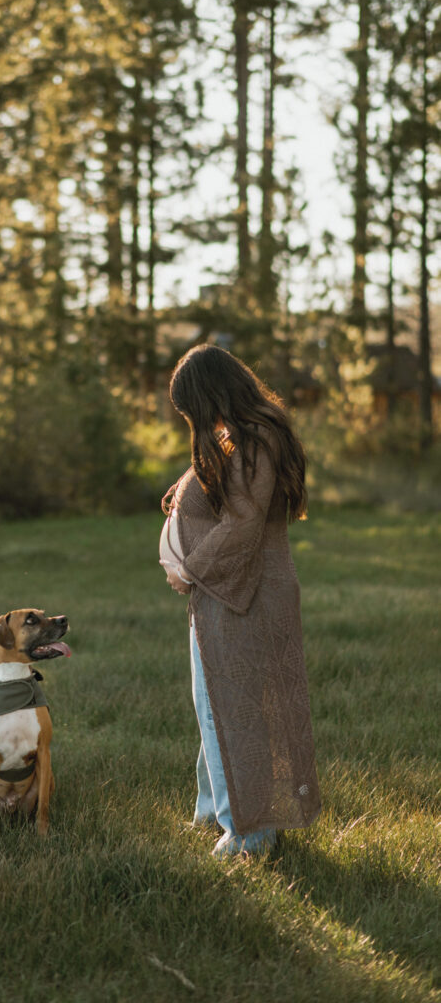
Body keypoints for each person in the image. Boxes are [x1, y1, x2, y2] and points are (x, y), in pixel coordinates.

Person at [160, 344, 320, 856]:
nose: (194, 422)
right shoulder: (240, 437)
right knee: (213, 704)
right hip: (223, 592)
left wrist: (189, 568)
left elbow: (243, 524)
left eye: (192, 410)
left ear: (211, 395)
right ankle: (215, 811)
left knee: (234, 709)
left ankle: (250, 832)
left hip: (242, 592)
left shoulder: (256, 440)